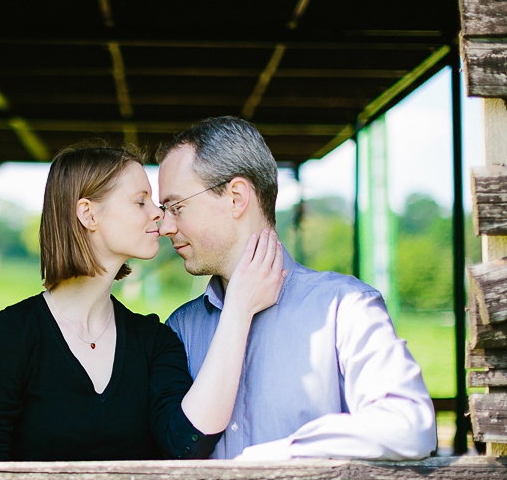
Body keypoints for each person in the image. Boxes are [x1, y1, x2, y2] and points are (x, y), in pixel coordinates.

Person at [0, 143, 284, 461]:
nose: (160, 215)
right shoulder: (10, 335)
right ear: (88, 214)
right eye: (141, 202)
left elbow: (187, 443)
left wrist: (238, 310)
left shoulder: (155, 341)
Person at [157, 116, 437, 460]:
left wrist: (278, 456)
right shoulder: (179, 329)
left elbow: (410, 425)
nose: (165, 226)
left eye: (176, 207)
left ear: (236, 197)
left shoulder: (344, 308)